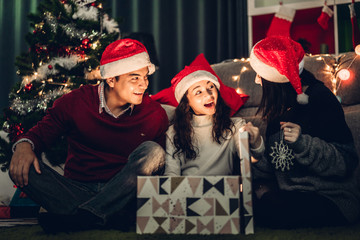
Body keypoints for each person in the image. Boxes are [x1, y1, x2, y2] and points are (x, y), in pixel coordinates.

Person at [9, 38, 169, 233]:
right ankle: (106, 216)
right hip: (77, 188)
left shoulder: (155, 114)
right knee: (23, 166)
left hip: (124, 192)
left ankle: (83, 218)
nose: (143, 85)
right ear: (111, 79)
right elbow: (40, 135)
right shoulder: (76, 102)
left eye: (146, 77)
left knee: (153, 151)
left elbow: (158, 172)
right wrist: (24, 146)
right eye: (135, 78)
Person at [248, 36, 360, 228]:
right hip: (292, 194)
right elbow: (279, 163)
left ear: (276, 78)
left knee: (269, 210)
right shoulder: (279, 108)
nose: (257, 81)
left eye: (260, 74)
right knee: (246, 203)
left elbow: (346, 163)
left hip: (331, 198)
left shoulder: (320, 99)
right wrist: (257, 147)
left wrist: (303, 143)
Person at [164, 54, 261, 176]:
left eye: (211, 86)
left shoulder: (235, 126)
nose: (209, 95)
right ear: (187, 103)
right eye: (198, 92)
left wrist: (256, 142)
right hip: (186, 191)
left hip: (225, 191)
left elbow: (250, 160)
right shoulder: (173, 132)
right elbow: (171, 175)